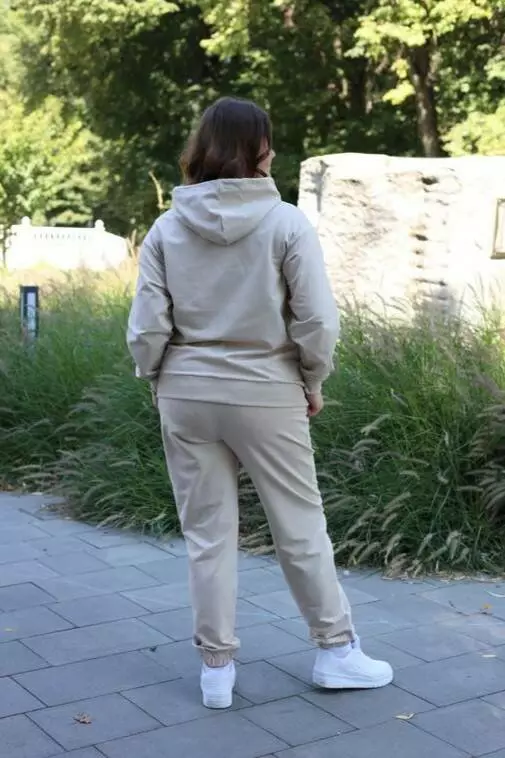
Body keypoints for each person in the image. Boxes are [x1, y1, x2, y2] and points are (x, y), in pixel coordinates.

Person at [127, 96, 393, 709]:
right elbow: (317, 320)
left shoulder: (167, 228)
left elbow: (146, 327)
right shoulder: (286, 223)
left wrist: (158, 378)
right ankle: (335, 651)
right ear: (261, 150)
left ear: (202, 148)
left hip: (187, 391)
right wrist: (313, 380)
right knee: (299, 526)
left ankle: (216, 670)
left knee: (207, 535)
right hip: (267, 390)